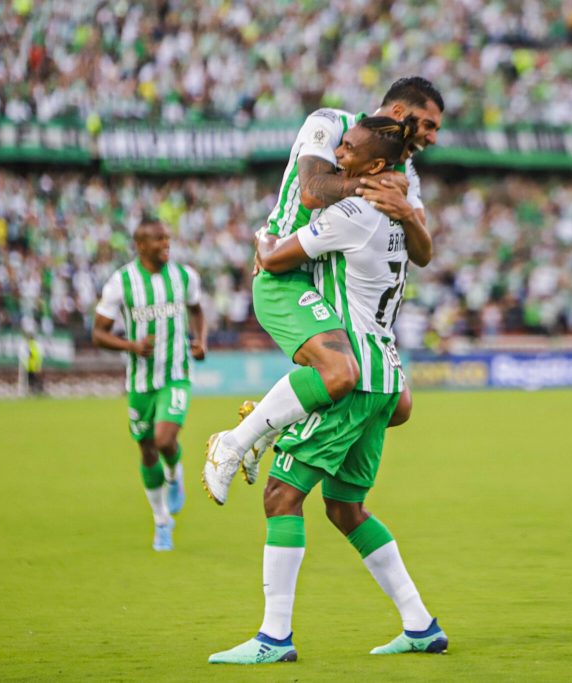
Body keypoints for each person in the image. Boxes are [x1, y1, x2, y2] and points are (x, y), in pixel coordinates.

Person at [208, 117, 446, 664]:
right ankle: (420, 624)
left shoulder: (352, 212)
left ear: (378, 165)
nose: (337, 151)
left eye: (350, 149)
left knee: (281, 496)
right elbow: (420, 250)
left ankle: (273, 639)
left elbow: (276, 258)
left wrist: (261, 239)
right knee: (345, 507)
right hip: (386, 373)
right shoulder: (396, 215)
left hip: (354, 375)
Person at [203, 77, 444, 503]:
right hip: (284, 267)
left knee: (397, 404)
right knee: (341, 373)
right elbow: (313, 191)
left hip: (331, 282)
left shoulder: (404, 170)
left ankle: (269, 423)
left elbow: (420, 247)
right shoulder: (331, 124)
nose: (432, 136)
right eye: (428, 124)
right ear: (402, 114)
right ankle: (235, 442)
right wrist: (371, 186)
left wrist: (403, 207)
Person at [92, 217, 207, 551]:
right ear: (140, 245)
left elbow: (197, 311)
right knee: (146, 448)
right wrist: (130, 346)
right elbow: (98, 333)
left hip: (176, 374)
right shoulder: (121, 282)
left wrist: (200, 340)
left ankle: (175, 475)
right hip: (140, 383)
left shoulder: (184, 276)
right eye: (158, 239)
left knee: (163, 438)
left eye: (167, 238)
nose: (165, 244)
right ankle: (161, 522)